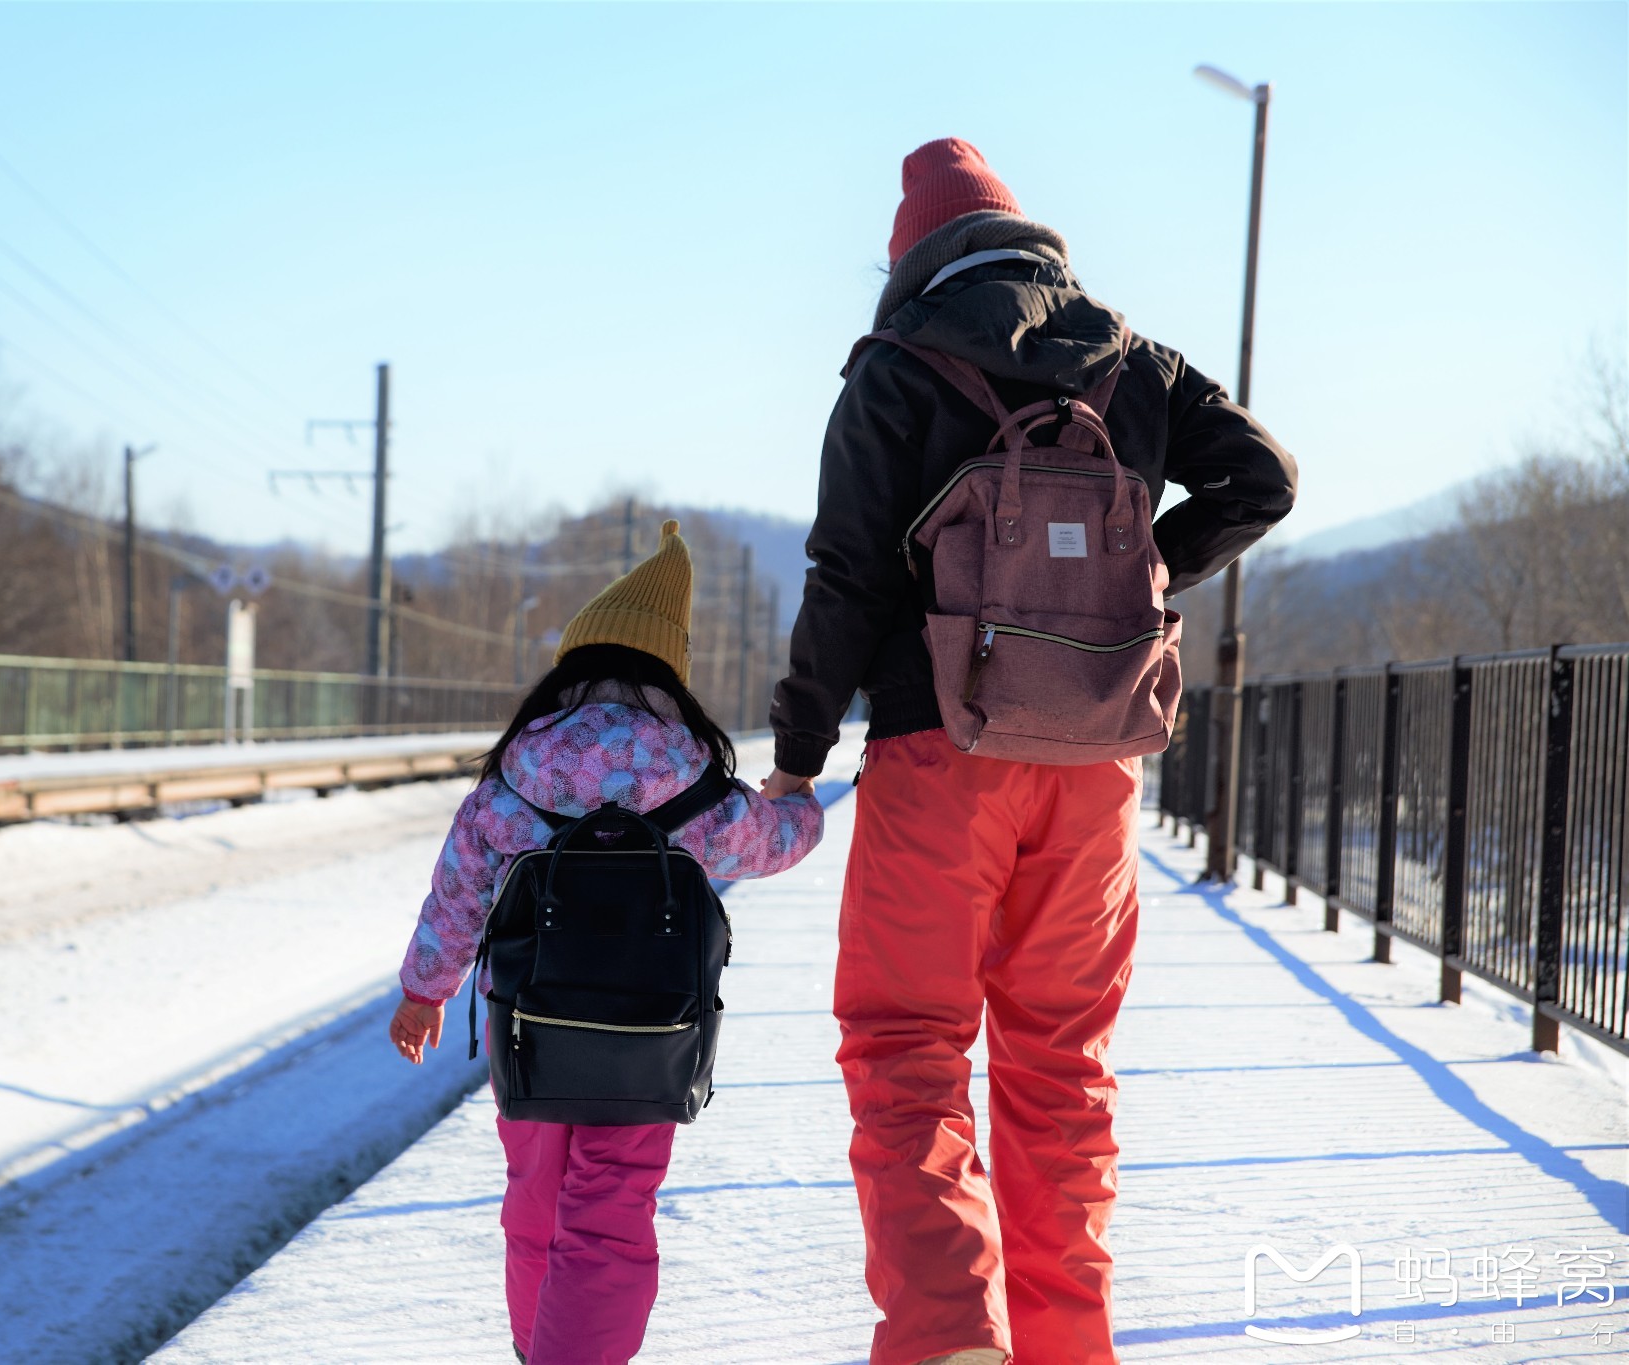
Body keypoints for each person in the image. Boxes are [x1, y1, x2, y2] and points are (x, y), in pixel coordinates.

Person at [762, 139, 1297, 1365]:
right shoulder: (1135, 363)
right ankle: (1068, 1347)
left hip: (937, 749)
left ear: (911, 256)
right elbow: (1261, 480)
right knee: (1061, 1071)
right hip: (1097, 768)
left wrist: (796, 752)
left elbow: (844, 577)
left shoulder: (896, 368)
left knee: (906, 1048)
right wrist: (1146, 577)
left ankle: (951, 1337)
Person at [391, 519, 825, 1365]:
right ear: (671, 671)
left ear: (574, 664)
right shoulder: (691, 773)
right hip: (650, 1032)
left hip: (530, 1029)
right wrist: (799, 797)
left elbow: (459, 888)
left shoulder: (519, 767)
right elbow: (772, 842)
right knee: (611, 1212)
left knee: (534, 1206)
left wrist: (424, 991)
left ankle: (540, 1349)